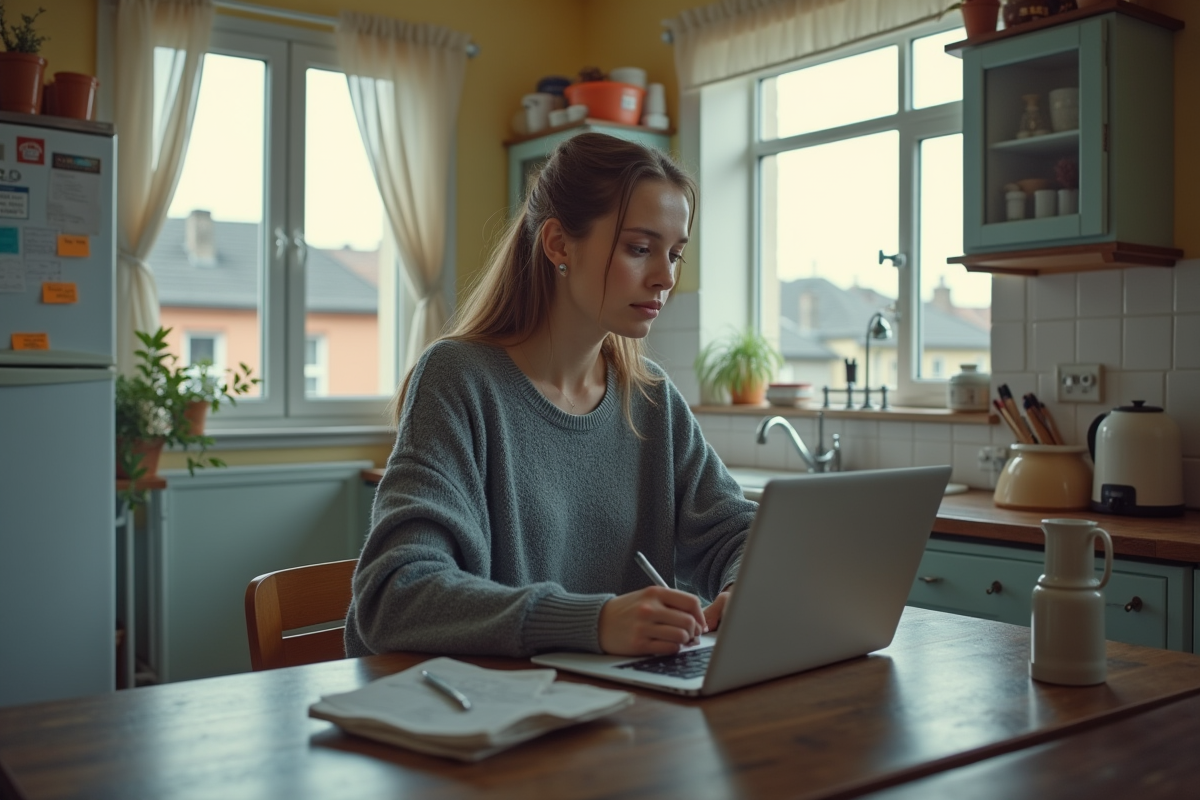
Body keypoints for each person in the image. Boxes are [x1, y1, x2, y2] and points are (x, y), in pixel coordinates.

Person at [345, 132, 756, 660]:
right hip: (484, 719)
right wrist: (594, 621)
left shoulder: (652, 400)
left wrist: (745, 585)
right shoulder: (458, 380)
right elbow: (394, 596)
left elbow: (738, 532)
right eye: (639, 248)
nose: (665, 277)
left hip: (619, 716)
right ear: (559, 243)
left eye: (674, 253)